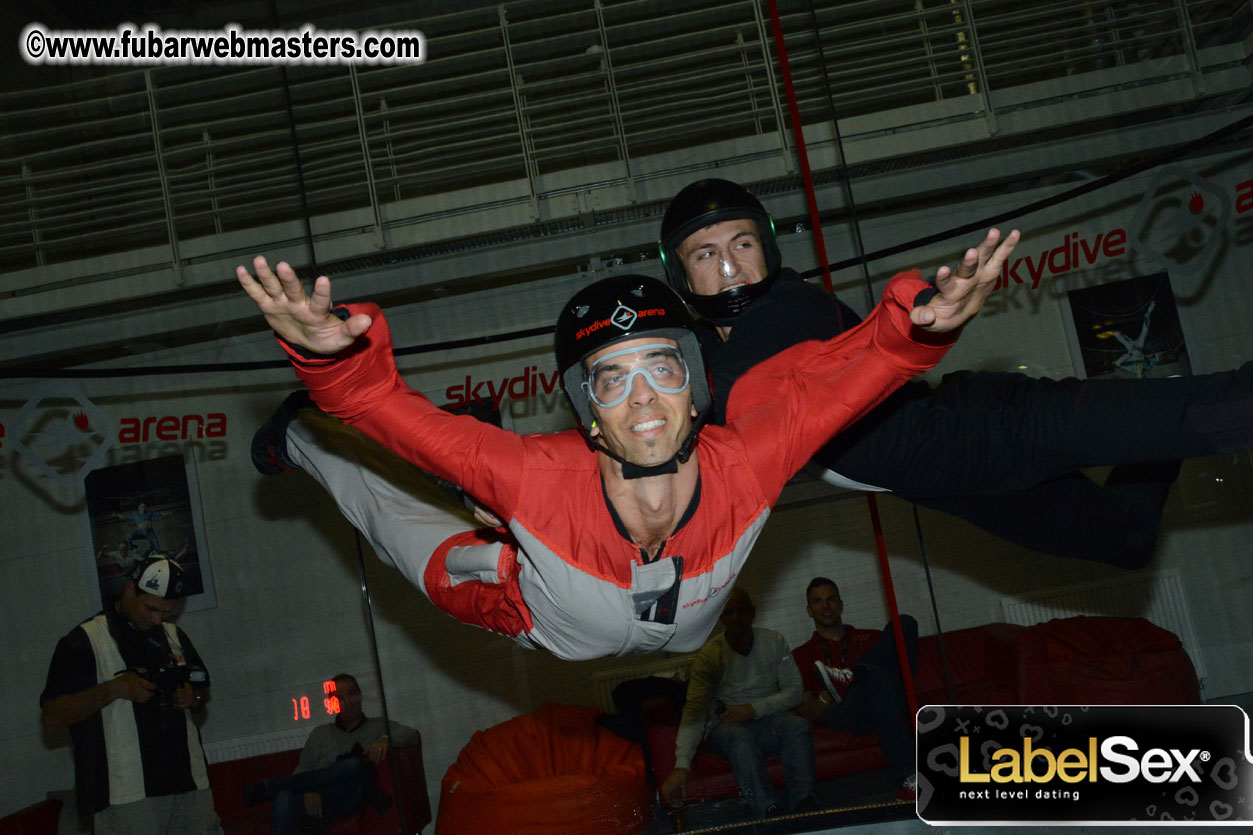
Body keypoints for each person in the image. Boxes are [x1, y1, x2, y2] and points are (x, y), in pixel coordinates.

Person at [237, 233, 1013, 660]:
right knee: (397, 517)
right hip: (553, 616)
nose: (641, 398)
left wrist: (921, 322)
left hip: (690, 623)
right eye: (610, 381)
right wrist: (332, 359)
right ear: (587, 415)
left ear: (693, 386)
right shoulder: (534, 475)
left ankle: (483, 511)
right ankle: (304, 439)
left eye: (660, 368)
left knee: (479, 494)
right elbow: (379, 405)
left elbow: (856, 372)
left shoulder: (747, 458)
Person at [659, 177, 1253, 567]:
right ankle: (1156, 413)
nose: (730, 265)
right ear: (685, 278)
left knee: (1226, 410)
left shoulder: (789, 308)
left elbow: (857, 349)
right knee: (1127, 539)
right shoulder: (709, 359)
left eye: (742, 244)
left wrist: (919, 315)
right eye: (706, 255)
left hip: (989, 426)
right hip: (951, 484)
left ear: (767, 249)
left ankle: (1160, 412)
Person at [40, 556, 219, 834]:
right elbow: (51, 716)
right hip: (125, 794)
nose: (157, 618)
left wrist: (191, 698)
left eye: (166, 612)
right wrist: (114, 689)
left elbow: (199, 695)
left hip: (189, 784)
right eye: (150, 608)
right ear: (129, 589)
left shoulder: (173, 636)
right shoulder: (85, 641)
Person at [660, 587, 816, 817]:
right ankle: (766, 808)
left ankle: (805, 803)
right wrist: (681, 765)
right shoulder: (711, 655)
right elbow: (694, 710)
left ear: (752, 612)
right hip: (725, 728)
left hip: (766, 720)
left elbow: (794, 691)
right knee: (739, 738)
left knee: (797, 726)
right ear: (721, 618)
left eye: (742, 611)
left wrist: (752, 709)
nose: (736, 618)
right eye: (729, 612)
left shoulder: (773, 641)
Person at [791, 578, 919, 802]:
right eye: (818, 602)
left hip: (886, 700)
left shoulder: (872, 638)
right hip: (844, 711)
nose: (826, 606)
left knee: (905, 622)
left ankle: (850, 675)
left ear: (841, 605)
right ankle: (907, 776)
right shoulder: (801, 655)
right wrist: (827, 695)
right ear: (809, 610)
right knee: (878, 680)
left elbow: (904, 671)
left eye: (831, 599)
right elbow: (804, 712)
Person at [242, 673, 419, 835]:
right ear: (333, 703)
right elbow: (303, 768)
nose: (348, 702)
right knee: (284, 797)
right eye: (340, 698)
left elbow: (411, 735)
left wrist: (385, 739)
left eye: (351, 694)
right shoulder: (320, 734)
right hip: (317, 799)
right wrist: (308, 792)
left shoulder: (377, 726)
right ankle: (278, 791)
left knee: (354, 765)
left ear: (360, 696)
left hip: (349, 795)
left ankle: (269, 787)